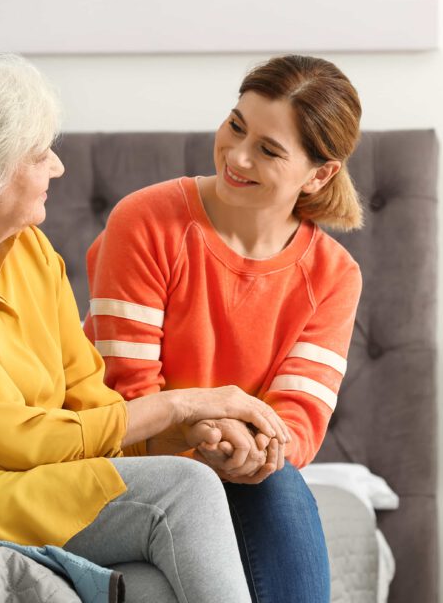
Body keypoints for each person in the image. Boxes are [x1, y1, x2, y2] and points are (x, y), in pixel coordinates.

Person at [0, 54, 290, 603]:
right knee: (182, 490)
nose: (59, 167)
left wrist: (189, 433)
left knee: (151, 586)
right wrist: (182, 405)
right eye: (40, 154)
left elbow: (89, 408)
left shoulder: (30, 249)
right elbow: (13, 439)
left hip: (9, 478)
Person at [85, 54, 364, 603]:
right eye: (236, 126)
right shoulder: (147, 221)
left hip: (245, 473)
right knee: (250, 485)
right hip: (132, 462)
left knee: (275, 480)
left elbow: (297, 421)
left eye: (268, 149)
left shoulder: (334, 276)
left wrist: (246, 450)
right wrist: (206, 432)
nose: (236, 156)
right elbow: (123, 393)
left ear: (320, 173)